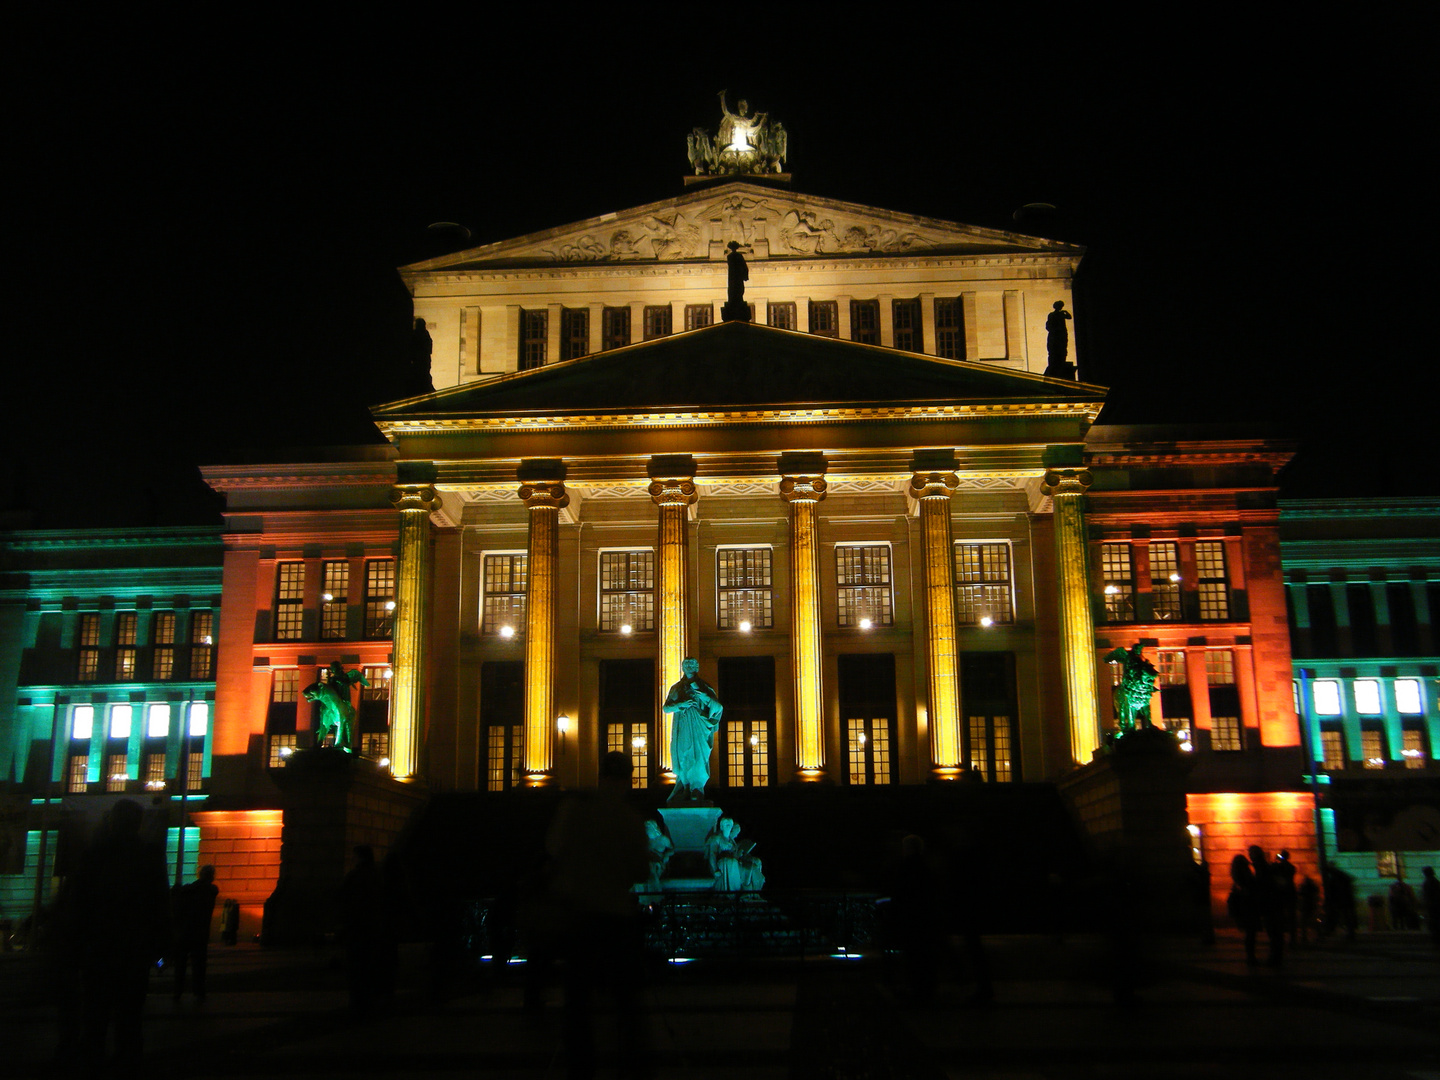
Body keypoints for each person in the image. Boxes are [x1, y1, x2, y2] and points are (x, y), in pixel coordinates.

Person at [548, 750, 651, 1079]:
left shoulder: (575, 810)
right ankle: (631, 1064)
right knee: (626, 1003)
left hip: (580, 917)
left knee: (578, 1004)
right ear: (628, 781)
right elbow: (640, 870)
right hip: (618, 919)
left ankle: (581, 1068)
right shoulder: (630, 819)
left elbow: (553, 849)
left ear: (599, 776)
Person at [59, 799, 170, 1069]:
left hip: (99, 948)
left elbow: (79, 907)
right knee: (130, 1017)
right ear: (137, 824)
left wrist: (73, 949)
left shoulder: (94, 855)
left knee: (95, 1016)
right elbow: (160, 905)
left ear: (113, 822)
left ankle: (93, 1061)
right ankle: (127, 1062)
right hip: (134, 949)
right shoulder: (150, 856)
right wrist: (161, 949)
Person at [662, 657, 723, 803]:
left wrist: (704, 697)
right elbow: (666, 708)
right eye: (687, 664)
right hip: (683, 727)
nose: (689, 667)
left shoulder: (704, 687)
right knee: (683, 755)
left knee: (698, 757)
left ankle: (697, 788)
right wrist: (680, 704)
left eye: (692, 665)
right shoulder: (676, 688)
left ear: (697, 667)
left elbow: (717, 707)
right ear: (683, 667)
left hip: (699, 727)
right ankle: (685, 785)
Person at [170, 865, 219, 1001]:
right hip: (200, 934)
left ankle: (177, 991)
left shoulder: (189, 890)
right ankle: (199, 992)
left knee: (180, 965)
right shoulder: (211, 891)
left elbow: (177, 898)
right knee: (199, 965)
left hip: (185, 932)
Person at [1227, 853, 1258, 964]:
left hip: (1242, 908)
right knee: (1251, 934)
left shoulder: (1236, 876)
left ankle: (1250, 956)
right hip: (1248, 907)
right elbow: (1251, 889)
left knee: (1249, 934)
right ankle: (1251, 957)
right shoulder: (1246, 876)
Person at [1421, 867, 1440, 946]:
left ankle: (1435, 939)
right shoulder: (1435, 881)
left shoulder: (1428, 882)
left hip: (1432, 905)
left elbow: (1426, 895)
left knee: (1433, 922)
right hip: (1435, 905)